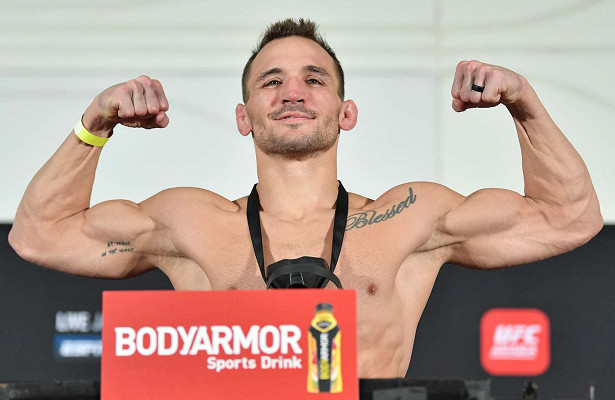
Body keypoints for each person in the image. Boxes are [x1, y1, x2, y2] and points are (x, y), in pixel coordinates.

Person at [9, 18, 602, 378]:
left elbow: (569, 219)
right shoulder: (188, 223)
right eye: (272, 82)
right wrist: (95, 124)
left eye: (313, 80)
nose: (292, 93)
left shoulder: (408, 218)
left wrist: (523, 102)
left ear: (346, 112)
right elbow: (39, 235)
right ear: (244, 117)